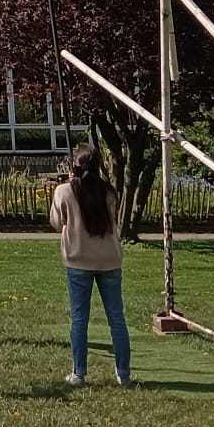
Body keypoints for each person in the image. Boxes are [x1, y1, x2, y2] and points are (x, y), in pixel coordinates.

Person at [49, 142, 131, 387]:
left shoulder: (64, 191)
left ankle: (79, 373)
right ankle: (123, 373)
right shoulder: (109, 191)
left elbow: (56, 222)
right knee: (116, 317)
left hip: (79, 260)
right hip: (109, 259)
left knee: (79, 318)